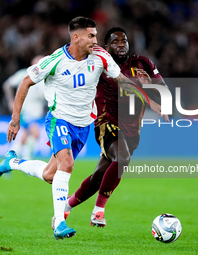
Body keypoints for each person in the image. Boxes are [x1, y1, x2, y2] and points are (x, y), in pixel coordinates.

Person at [0, 17, 164, 240]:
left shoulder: (101, 56)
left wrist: (151, 102)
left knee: (51, 175)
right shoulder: (55, 60)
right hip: (59, 119)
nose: (95, 40)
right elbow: (25, 82)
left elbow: (123, 81)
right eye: (91, 36)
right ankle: (59, 223)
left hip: (82, 125)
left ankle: (12, 162)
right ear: (76, 37)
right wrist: (15, 120)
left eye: (96, 35)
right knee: (68, 164)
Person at [63, 27, 169, 227]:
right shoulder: (100, 63)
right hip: (106, 122)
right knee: (123, 157)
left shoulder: (143, 63)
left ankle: (66, 207)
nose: (121, 45)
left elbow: (163, 89)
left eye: (124, 41)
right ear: (106, 47)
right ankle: (98, 212)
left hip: (132, 130)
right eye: (115, 41)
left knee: (98, 177)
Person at [3, 55, 46, 159]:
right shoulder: (24, 74)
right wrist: (10, 101)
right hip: (25, 111)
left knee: (24, 137)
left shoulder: (45, 78)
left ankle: (10, 158)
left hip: (37, 114)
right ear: (33, 63)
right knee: (35, 133)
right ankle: (27, 158)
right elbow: (7, 85)